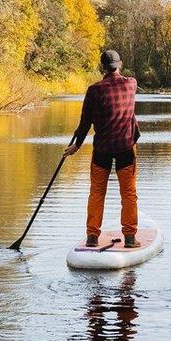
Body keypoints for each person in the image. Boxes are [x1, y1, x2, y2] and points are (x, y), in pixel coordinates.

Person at [65, 48, 140, 248]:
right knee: (129, 193)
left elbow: (85, 122)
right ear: (119, 65)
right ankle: (130, 238)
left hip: (102, 150)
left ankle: (92, 237)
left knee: (97, 193)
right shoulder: (131, 84)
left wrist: (76, 145)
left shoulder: (94, 90)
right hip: (125, 147)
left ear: (102, 67)